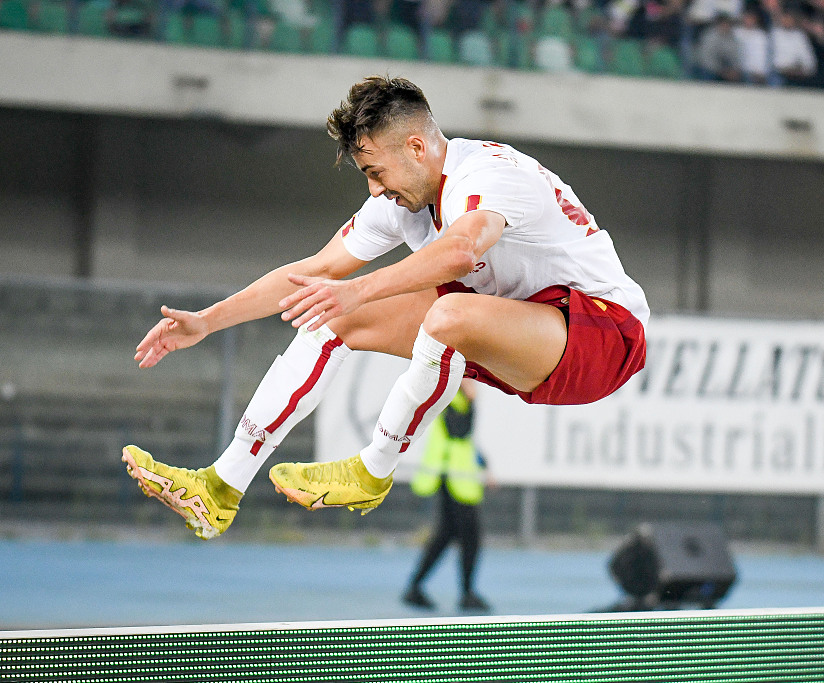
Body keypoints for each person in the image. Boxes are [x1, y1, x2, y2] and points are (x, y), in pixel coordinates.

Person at [121, 75, 649, 541]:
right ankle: (221, 486)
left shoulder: (489, 174)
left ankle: (373, 470)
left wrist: (363, 288)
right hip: (519, 324)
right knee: (333, 316)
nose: (375, 189)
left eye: (376, 172)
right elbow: (318, 272)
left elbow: (463, 249)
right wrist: (209, 320)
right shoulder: (400, 203)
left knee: (445, 317)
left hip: (603, 337)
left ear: (417, 147)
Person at [402, 379, 491, 612]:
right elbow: (459, 430)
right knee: (470, 537)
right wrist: (472, 401)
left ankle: (416, 587)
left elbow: (466, 442)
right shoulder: (449, 397)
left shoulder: (456, 398)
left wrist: (485, 465)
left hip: (457, 479)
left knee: (446, 536)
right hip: (451, 479)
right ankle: (467, 593)